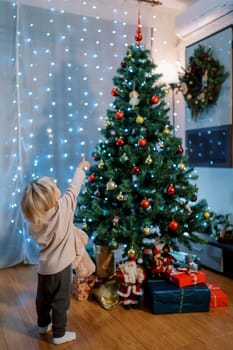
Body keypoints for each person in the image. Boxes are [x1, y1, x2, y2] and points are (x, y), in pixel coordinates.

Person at [21, 155, 91, 345]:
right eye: (55, 187)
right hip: (61, 269)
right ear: (52, 197)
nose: (58, 187)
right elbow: (74, 188)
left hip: (44, 267)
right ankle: (59, 334)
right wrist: (81, 167)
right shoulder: (64, 207)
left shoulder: (36, 222)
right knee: (60, 302)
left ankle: (43, 325)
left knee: (42, 299)